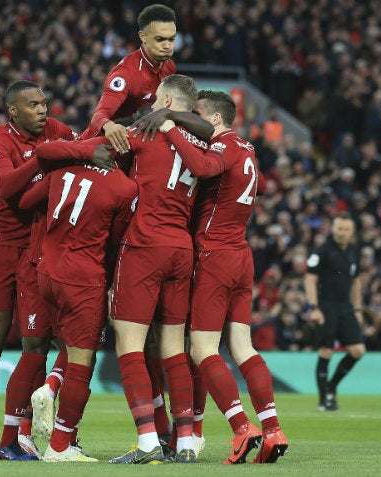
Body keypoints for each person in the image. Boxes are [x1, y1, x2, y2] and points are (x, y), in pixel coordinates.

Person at [42, 74, 205, 464]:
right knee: (172, 348)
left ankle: (148, 442)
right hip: (182, 248)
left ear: (165, 99)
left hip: (144, 246)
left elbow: (85, 148)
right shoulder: (201, 142)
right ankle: (185, 443)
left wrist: (90, 143)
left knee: (129, 344)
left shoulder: (145, 133)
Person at [160, 90, 288, 464]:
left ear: (214, 119)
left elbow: (203, 169)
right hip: (241, 255)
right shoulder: (246, 147)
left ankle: (240, 427)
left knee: (202, 350)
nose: (193, 120)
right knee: (243, 347)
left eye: (198, 115)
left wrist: (171, 128)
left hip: (214, 254)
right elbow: (260, 186)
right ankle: (272, 429)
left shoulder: (224, 146)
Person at [0, 80, 76, 461]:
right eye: (34, 105)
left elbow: (80, 144)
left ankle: (22, 431)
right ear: (14, 110)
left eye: (45, 102)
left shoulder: (55, 130)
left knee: (36, 342)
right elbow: (9, 187)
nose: (43, 110)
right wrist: (45, 157)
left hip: (36, 249)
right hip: (0, 246)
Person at [20, 141, 138, 462]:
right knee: (84, 362)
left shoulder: (61, 170)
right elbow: (116, 239)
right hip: (83, 277)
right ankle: (60, 446)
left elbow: (28, 199)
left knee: (70, 349)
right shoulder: (125, 187)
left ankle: (52, 386)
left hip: (48, 271)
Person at [83, 4, 177, 155]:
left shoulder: (169, 66)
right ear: (143, 37)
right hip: (103, 147)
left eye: (171, 39)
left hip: (136, 144)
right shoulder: (127, 74)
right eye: (160, 39)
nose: (167, 45)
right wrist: (109, 126)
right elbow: (99, 115)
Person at [304, 213, 365, 411]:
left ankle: (331, 387)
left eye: (346, 229)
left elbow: (356, 282)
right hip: (326, 305)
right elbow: (310, 279)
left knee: (358, 350)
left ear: (351, 232)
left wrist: (357, 309)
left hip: (345, 307)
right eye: (340, 228)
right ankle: (324, 400)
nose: (342, 233)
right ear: (333, 229)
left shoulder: (353, 251)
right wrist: (314, 308)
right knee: (326, 350)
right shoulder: (323, 251)